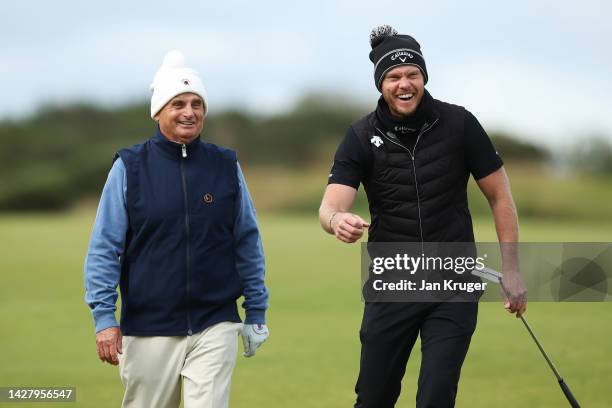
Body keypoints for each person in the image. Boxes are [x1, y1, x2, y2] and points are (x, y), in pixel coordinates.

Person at [318, 25, 527, 408]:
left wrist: (511, 269)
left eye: (412, 74)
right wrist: (336, 221)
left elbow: (501, 197)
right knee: (374, 398)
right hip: (392, 283)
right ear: (381, 83)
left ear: (423, 77)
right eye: (394, 77)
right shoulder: (361, 135)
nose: (404, 84)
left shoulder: (460, 124)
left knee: (436, 396)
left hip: (454, 283)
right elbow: (330, 205)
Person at [84, 50, 269, 408]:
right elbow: (105, 246)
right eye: (178, 103)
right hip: (148, 325)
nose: (189, 111)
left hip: (216, 321)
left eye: (197, 103)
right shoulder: (129, 167)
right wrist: (104, 318)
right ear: (158, 111)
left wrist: (256, 311)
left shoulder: (225, 165)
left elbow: (247, 239)